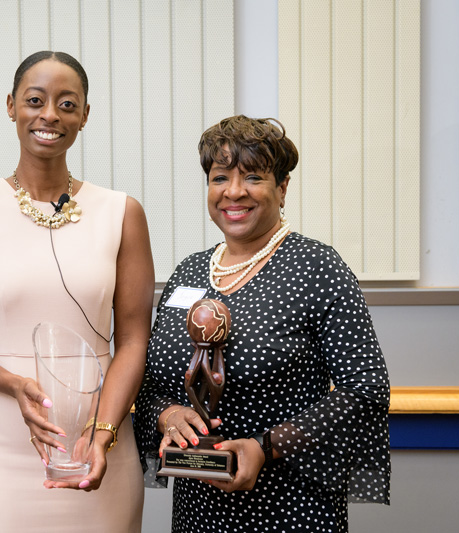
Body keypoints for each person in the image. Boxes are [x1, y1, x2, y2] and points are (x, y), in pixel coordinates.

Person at [0, 51, 154, 532]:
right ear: (11, 106)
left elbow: (134, 340)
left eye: (67, 104)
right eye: (35, 100)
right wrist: (15, 385)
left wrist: (102, 433)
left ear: (85, 116)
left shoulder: (122, 212)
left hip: (96, 439)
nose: (50, 114)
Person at [134, 115, 391, 532]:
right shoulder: (188, 273)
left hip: (291, 505)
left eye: (252, 176)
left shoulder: (317, 267)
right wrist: (167, 416)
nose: (233, 192)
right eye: (220, 178)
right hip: (199, 510)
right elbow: (149, 386)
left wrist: (264, 447)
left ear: (282, 188)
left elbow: (364, 390)